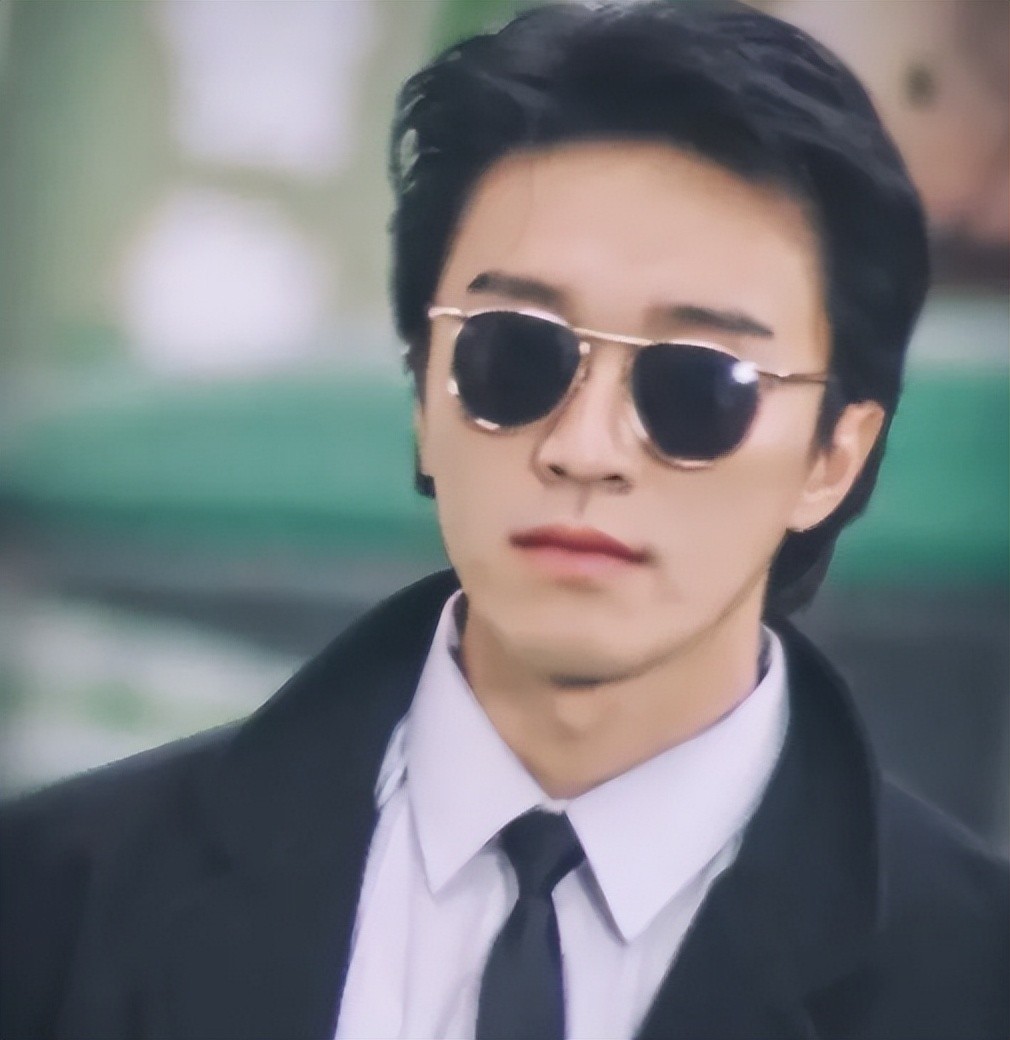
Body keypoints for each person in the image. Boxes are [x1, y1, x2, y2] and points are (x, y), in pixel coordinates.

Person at [2, 2, 1006, 1038]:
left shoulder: (974, 977)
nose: (583, 446)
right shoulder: (54, 901)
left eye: (698, 386)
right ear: (421, 392)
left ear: (834, 455)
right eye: (513, 355)